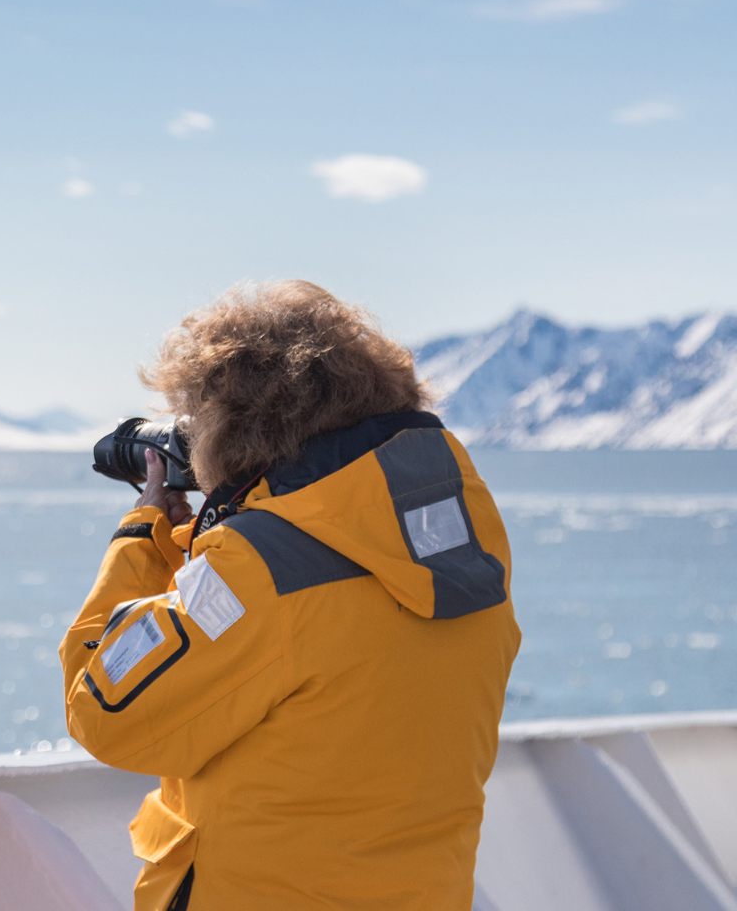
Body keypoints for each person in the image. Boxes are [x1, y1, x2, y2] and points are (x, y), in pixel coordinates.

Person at [60, 281, 520, 910]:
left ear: (235, 427)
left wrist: (144, 538)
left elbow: (102, 708)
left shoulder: (260, 569)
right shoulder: (463, 544)